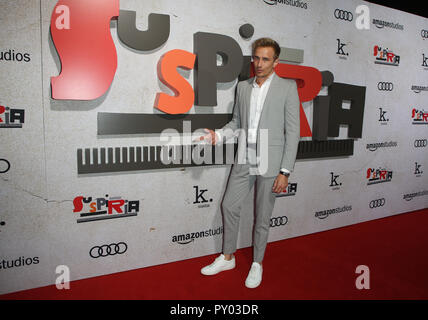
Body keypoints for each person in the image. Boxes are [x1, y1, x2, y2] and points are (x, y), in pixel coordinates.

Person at [199, 37, 300, 288]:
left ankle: (257, 263)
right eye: (256, 58)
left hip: (271, 160)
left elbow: (293, 132)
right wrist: (218, 135)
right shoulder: (243, 87)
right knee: (229, 205)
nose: (259, 63)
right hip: (245, 156)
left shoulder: (287, 88)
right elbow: (236, 123)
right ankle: (228, 257)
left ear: (276, 61)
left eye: (266, 59)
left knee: (262, 217)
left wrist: (285, 171)